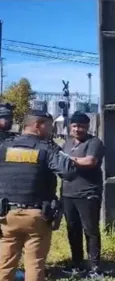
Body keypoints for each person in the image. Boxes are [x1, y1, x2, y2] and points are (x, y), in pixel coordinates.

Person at [0, 110, 79, 281]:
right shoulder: (46, 148)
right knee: (35, 265)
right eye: (49, 126)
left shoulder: (5, 146)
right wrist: (56, 148)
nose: (51, 130)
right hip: (36, 217)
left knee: (4, 265)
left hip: (7, 215)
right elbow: (69, 171)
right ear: (38, 126)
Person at [60, 111, 105, 278]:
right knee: (73, 230)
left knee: (90, 230)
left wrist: (66, 160)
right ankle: (77, 264)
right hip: (68, 193)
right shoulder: (67, 143)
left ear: (87, 127)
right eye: (75, 126)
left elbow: (90, 161)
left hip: (88, 194)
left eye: (82, 126)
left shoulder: (94, 142)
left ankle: (95, 268)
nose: (78, 129)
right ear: (70, 127)